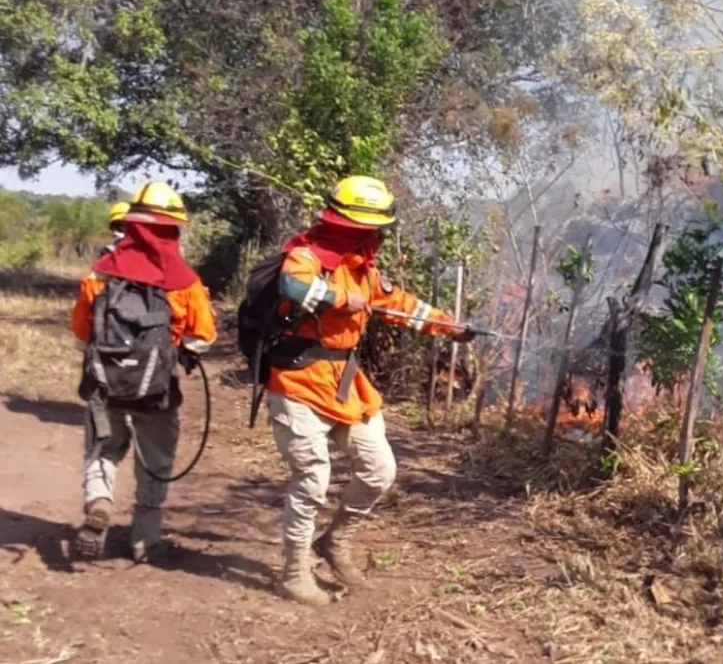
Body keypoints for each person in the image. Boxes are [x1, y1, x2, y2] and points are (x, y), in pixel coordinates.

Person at [266, 175, 475, 606]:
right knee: (313, 478)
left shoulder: (364, 268)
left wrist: (447, 326)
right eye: (372, 228)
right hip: (298, 381)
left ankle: (334, 542)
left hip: (344, 385)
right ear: (350, 225)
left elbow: (399, 305)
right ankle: (294, 573)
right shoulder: (306, 256)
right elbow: (293, 287)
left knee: (380, 469)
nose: (377, 236)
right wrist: (342, 298)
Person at [72, 182, 217, 563]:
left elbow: (82, 335)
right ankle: (145, 539)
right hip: (157, 389)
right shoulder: (184, 282)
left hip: (105, 386)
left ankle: (99, 501)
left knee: (102, 449)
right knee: (155, 460)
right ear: (173, 230)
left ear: (131, 225)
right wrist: (177, 350)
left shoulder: (99, 275)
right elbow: (202, 337)